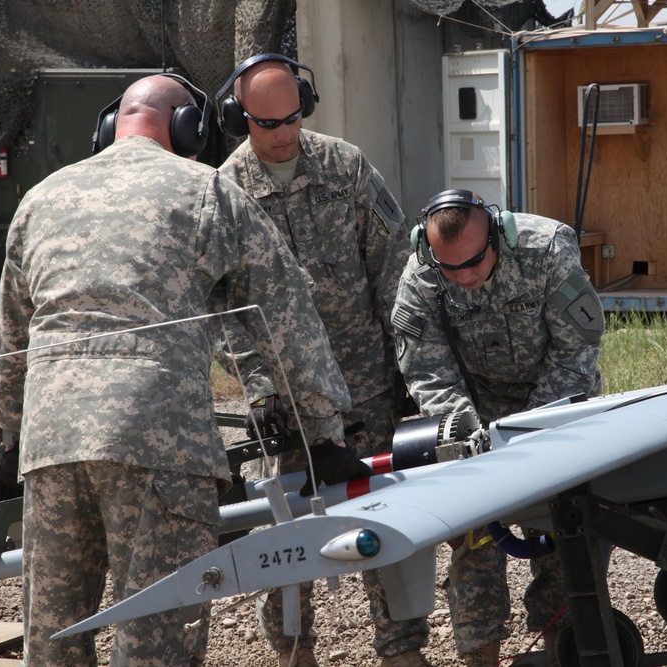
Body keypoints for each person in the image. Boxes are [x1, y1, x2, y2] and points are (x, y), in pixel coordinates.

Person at [0, 73, 355, 667]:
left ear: (111, 123)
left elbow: (10, 339)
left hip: (52, 447)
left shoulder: (41, 197)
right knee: (158, 643)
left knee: (54, 646)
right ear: (188, 129)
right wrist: (322, 431)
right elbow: (286, 318)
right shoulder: (207, 191)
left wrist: (9, 441)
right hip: (160, 447)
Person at [211, 54, 428, 667]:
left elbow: (395, 276)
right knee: (287, 535)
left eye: (294, 118)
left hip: (367, 389)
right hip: (283, 401)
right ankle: (293, 653)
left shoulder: (346, 167)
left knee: (385, 517)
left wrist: (409, 371)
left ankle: (401, 652)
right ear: (239, 118)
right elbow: (221, 311)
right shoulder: (225, 192)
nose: (284, 134)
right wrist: (261, 392)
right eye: (267, 123)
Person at [391, 189, 606, 667]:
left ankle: (566, 647)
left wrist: (527, 436)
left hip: (555, 408)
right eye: (452, 268)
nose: (464, 276)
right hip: (475, 418)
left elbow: (576, 355)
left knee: (569, 531)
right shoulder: (423, 271)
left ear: (498, 232)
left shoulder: (548, 248)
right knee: (473, 537)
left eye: (474, 261)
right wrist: (470, 435)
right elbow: (427, 370)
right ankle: (479, 654)